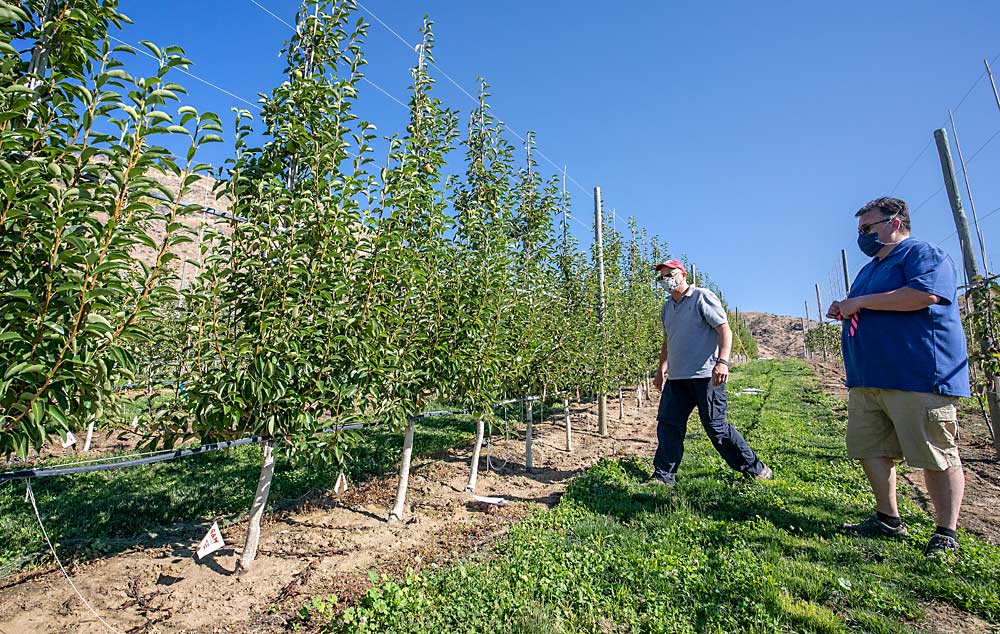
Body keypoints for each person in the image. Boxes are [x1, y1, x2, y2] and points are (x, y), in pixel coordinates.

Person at [828, 196, 968, 557]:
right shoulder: (870, 269)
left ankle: (945, 531)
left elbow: (923, 295)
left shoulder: (922, 254)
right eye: (860, 230)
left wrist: (859, 303)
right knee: (870, 448)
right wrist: (845, 309)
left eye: (867, 228)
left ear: (895, 222)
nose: (862, 237)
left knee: (935, 453)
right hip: (867, 378)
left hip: (916, 375)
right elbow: (866, 306)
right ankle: (887, 517)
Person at [650, 259, 772, 485]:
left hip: (706, 376)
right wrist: (661, 369)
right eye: (662, 277)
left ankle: (756, 469)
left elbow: (724, 330)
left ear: (683, 275)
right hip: (677, 379)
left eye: (670, 274)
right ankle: (663, 476)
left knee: (716, 428)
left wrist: (723, 362)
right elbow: (668, 339)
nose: (666, 280)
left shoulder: (701, 297)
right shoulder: (667, 308)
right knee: (668, 425)